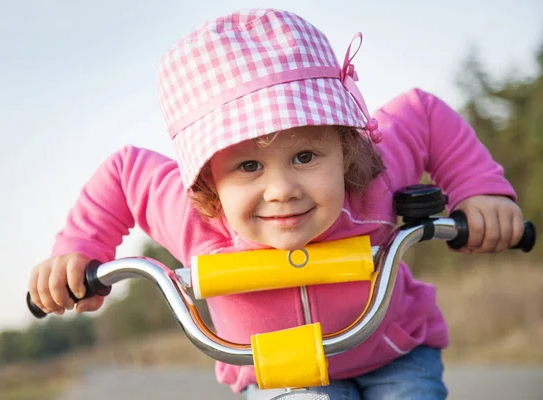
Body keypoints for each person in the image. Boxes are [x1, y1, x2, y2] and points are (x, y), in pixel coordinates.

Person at [28, 8, 524, 399]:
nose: (281, 189)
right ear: (206, 178)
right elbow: (124, 171)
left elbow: (423, 112)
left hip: (394, 352)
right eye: (248, 167)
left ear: (346, 147)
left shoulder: (372, 174)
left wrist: (479, 192)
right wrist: (79, 249)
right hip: (279, 372)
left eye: (305, 155)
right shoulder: (193, 215)